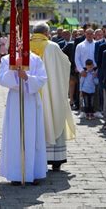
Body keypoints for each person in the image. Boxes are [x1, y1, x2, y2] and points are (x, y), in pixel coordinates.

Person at [30, 23, 76, 171]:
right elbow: (64, 65)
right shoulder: (52, 47)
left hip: (31, 92)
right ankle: (55, 158)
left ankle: (35, 158)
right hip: (51, 92)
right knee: (53, 113)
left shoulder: (25, 47)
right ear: (46, 32)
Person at [0, 50, 48, 185]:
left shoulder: (36, 59)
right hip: (15, 99)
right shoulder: (7, 59)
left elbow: (42, 78)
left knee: (32, 134)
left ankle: (33, 172)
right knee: (15, 134)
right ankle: (16, 173)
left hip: (31, 99)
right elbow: (2, 79)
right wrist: (14, 71)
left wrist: (27, 77)